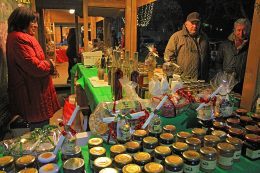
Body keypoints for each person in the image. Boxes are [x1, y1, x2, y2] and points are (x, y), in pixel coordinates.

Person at [6, 7, 60, 130]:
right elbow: (34, 67)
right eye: (32, 22)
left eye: (36, 22)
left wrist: (47, 64)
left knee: (42, 128)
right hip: (32, 95)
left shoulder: (21, 37)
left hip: (35, 91)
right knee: (40, 131)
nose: (36, 25)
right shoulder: (19, 39)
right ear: (22, 21)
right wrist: (50, 64)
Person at [164, 12, 210, 81]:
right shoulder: (176, 37)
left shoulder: (205, 38)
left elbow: (208, 56)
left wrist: (206, 73)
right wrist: (179, 73)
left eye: (197, 23)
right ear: (186, 24)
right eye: (192, 23)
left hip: (201, 82)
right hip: (182, 81)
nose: (195, 26)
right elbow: (168, 57)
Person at [216, 18, 251, 94]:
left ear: (248, 31)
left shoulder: (251, 48)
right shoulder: (225, 45)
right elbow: (218, 62)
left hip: (242, 88)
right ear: (234, 30)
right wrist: (221, 76)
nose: (241, 33)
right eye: (238, 30)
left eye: (244, 30)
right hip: (225, 86)